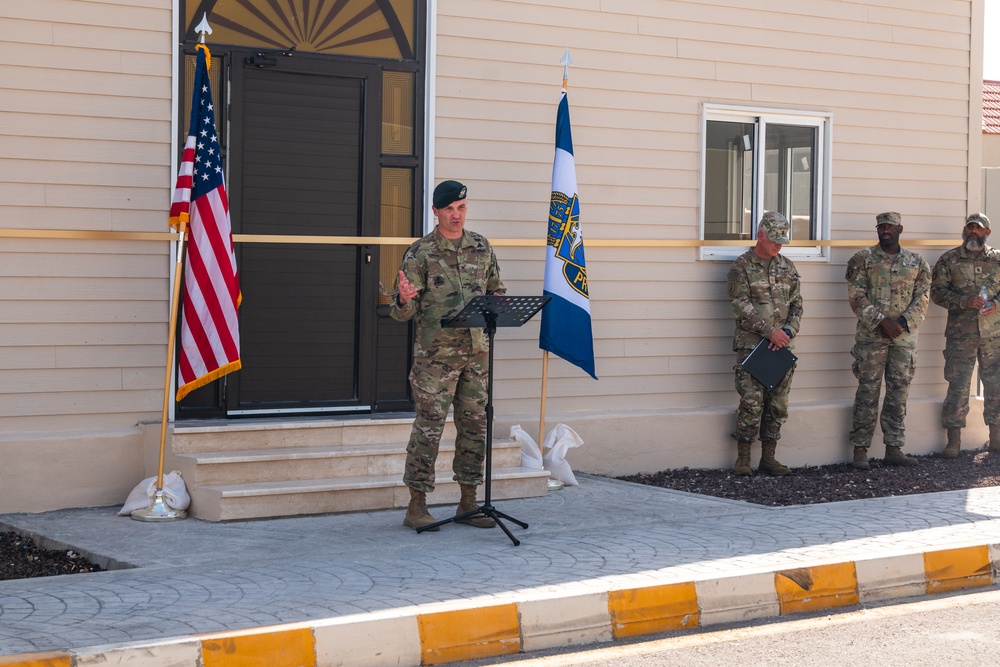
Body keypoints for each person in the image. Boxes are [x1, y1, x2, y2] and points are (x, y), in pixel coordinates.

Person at [390, 180, 506, 531]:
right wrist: (404, 298)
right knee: (429, 430)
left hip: (477, 356)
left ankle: (468, 501)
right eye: (450, 210)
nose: (456, 216)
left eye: (462, 208)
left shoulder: (481, 247)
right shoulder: (420, 252)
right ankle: (417, 505)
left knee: (475, 425)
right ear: (436, 212)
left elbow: (496, 290)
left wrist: (499, 303)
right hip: (435, 361)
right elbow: (402, 314)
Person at [846, 212, 931, 470]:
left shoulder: (917, 262)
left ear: (900, 229)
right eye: (881, 226)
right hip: (872, 339)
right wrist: (881, 321)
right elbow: (856, 296)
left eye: (890, 226)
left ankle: (894, 448)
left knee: (898, 394)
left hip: (903, 341)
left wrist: (902, 323)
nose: (885, 230)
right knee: (867, 394)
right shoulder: (862, 259)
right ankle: (860, 450)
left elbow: (923, 298)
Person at [726, 211, 803, 476]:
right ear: (760, 235)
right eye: (774, 239)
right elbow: (741, 306)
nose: (779, 244)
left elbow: (797, 305)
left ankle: (769, 458)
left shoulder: (787, 267)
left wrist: (788, 332)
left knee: (778, 404)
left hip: (781, 348)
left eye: (783, 239)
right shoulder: (742, 267)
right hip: (752, 348)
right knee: (751, 403)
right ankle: (743, 459)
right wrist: (770, 332)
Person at [930, 212, 1000, 457]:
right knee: (958, 386)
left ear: (987, 233)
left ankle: (996, 438)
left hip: (993, 335)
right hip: (961, 335)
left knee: (996, 385)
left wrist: (996, 305)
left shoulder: (998, 259)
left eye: (978, 228)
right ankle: (953, 441)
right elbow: (937, 292)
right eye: (970, 227)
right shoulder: (949, 259)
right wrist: (963, 301)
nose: (973, 231)